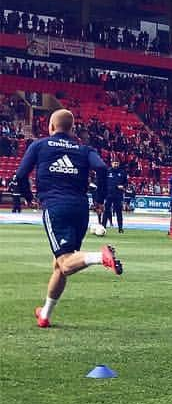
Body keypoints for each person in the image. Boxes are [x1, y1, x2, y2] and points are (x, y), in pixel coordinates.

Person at [12, 108, 123, 328]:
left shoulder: (39, 145)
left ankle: (100, 257)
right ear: (72, 129)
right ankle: (45, 314)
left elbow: (20, 176)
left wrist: (27, 197)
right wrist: (99, 198)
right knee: (60, 263)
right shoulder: (84, 149)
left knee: (64, 262)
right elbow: (101, 167)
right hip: (80, 208)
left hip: (55, 206)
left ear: (51, 127)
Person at [102, 158, 127, 232]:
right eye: (114, 163)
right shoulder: (107, 171)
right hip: (109, 195)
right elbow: (103, 182)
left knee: (119, 212)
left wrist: (123, 186)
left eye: (117, 163)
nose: (115, 164)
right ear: (111, 163)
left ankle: (120, 228)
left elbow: (126, 182)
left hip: (118, 195)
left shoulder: (122, 172)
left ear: (119, 164)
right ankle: (103, 227)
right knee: (106, 211)